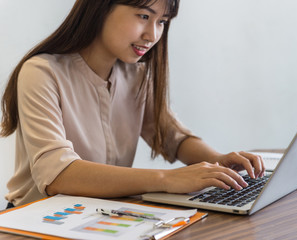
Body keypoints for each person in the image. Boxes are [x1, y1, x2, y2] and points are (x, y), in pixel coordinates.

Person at [1, 0, 265, 208]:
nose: (152, 34)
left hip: (99, 215)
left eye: (162, 21)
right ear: (101, 7)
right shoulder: (41, 72)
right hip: (34, 221)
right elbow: (57, 175)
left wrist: (217, 161)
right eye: (144, 16)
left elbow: (172, 137)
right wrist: (167, 180)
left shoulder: (135, 75)